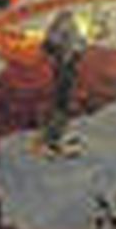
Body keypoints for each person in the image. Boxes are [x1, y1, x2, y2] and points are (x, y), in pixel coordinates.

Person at [41, 9, 89, 151]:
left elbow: (49, 44)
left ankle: (55, 131)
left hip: (63, 65)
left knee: (63, 96)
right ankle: (53, 137)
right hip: (64, 66)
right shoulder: (67, 31)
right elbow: (78, 45)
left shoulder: (58, 29)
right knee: (62, 100)